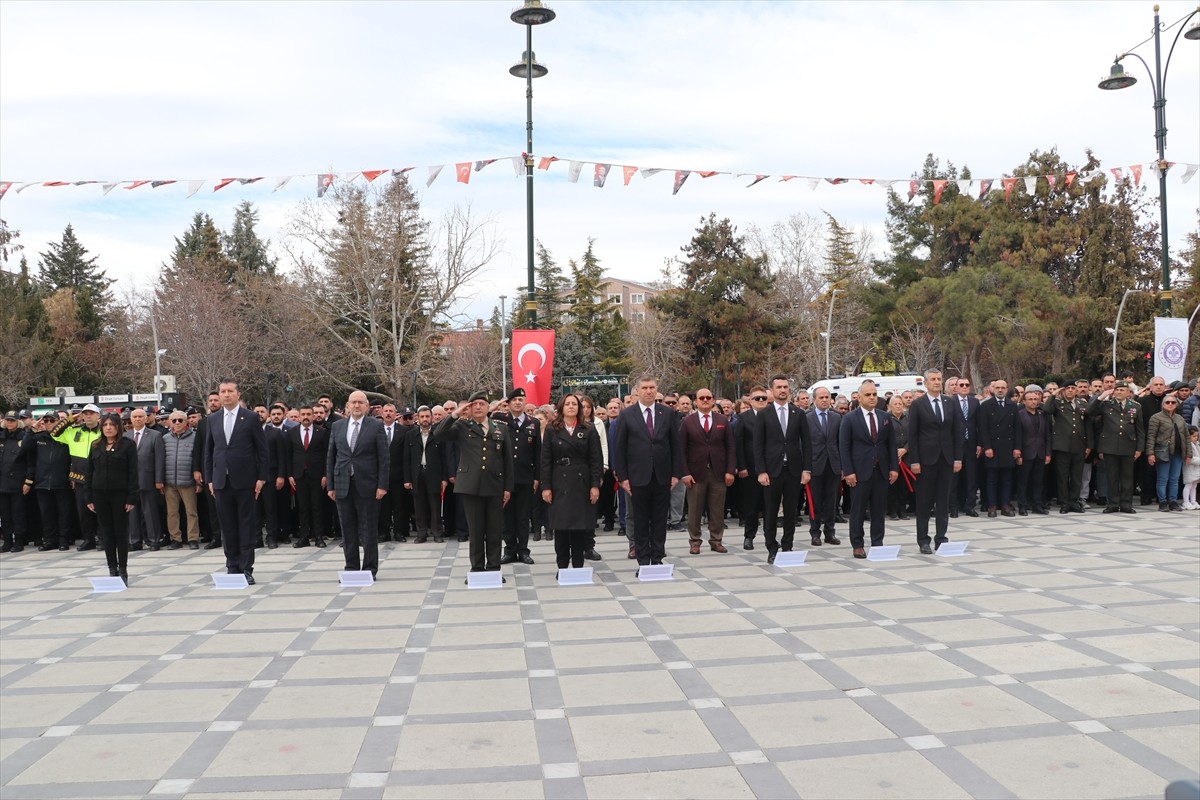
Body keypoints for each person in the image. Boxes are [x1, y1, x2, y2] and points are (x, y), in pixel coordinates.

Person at [432, 391, 513, 580]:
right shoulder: (461, 426)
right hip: (471, 486)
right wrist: (456, 413)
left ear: (488, 408)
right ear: (468, 407)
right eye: (474, 404)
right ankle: (477, 568)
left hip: (495, 485)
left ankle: (493, 568)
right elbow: (439, 433)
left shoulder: (500, 428)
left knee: (494, 530)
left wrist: (508, 488)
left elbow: (507, 460)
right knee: (476, 530)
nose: (478, 407)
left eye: (481, 404)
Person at [612, 375, 682, 571]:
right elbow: (620, 448)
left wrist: (676, 473)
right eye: (645, 388)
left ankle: (657, 559)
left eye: (652, 387)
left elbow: (675, 446)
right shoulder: (627, 414)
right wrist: (623, 477)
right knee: (640, 520)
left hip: (662, 477)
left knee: (660, 520)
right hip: (637, 477)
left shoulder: (667, 413)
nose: (649, 391)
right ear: (637, 392)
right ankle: (643, 561)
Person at [204, 380, 269, 584]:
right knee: (228, 526)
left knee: (246, 525)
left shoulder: (250, 418)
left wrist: (261, 478)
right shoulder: (212, 419)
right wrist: (210, 479)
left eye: (230, 391)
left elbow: (262, 451)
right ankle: (232, 566)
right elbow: (209, 451)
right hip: (221, 480)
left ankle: (246, 567)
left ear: (237, 394)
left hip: (245, 480)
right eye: (222, 391)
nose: (226, 395)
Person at [326, 390, 390, 578]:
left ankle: (370, 568)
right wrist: (331, 485)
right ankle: (351, 568)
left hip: (368, 485)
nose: (356, 406)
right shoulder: (338, 426)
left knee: (369, 529)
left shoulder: (375, 426)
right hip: (343, 484)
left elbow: (384, 458)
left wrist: (382, 485)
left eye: (360, 402)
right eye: (353, 402)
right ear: (347, 405)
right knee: (347, 529)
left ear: (367, 406)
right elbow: (331, 457)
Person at [753, 375, 813, 564]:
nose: (783, 390)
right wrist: (761, 471)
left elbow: (807, 443)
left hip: (793, 469)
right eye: (779, 387)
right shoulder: (764, 414)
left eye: (786, 386)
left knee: (791, 511)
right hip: (772, 470)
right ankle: (771, 546)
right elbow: (758, 445)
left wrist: (807, 469)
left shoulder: (798, 413)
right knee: (770, 511)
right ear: (772, 390)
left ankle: (788, 545)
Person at [540, 393, 603, 573]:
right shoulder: (553, 429)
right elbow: (545, 460)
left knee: (578, 526)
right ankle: (562, 567)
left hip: (581, 482)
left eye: (574, 404)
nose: (571, 407)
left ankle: (577, 567)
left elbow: (595, 459)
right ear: (561, 408)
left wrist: (594, 485)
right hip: (559, 481)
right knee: (561, 527)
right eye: (567, 404)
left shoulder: (588, 429)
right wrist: (546, 487)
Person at [839, 380, 899, 558]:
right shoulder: (850, 418)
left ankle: (878, 542)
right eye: (868, 395)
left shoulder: (884, 417)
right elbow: (844, 446)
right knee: (857, 510)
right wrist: (848, 471)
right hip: (859, 472)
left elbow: (891, 444)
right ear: (859, 397)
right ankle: (857, 544)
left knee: (879, 510)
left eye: (874, 394)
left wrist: (894, 468)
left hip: (881, 471)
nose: (872, 397)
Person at [906, 369, 963, 553]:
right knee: (924, 502)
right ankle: (923, 539)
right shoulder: (918, 404)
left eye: (939, 379)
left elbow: (957, 433)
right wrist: (914, 461)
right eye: (933, 379)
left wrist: (957, 458)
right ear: (925, 383)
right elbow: (912, 435)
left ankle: (941, 538)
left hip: (946, 459)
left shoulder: (950, 402)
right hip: (925, 460)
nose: (937, 382)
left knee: (943, 501)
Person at [679, 387, 736, 554]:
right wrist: (685, 473)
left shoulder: (722, 420)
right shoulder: (688, 421)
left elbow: (731, 447)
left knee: (717, 509)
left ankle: (716, 540)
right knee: (695, 510)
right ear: (695, 401)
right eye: (701, 398)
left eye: (708, 397)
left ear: (713, 400)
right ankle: (695, 541)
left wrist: (730, 470)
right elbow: (681, 450)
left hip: (718, 472)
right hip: (696, 473)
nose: (705, 400)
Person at [83, 413, 138, 583]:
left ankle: (123, 569)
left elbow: (133, 472)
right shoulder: (95, 445)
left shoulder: (127, 445)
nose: (108, 427)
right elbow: (89, 472)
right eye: (105, 424)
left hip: (120, 494)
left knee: (120, 533)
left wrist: (131, 497)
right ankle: (112, 569)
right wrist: (88, 497)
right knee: (106, 534)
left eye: (111, 424)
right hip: (100, 494)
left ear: (118, 427)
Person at [49, 403, 104, 551]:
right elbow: (54, 433)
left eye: (91, 413)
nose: (88, 416)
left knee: (102, 509)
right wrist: (71, 419)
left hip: (100, 476)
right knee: (83, 511)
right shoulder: (73, 431)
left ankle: (103, 538)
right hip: (80, 478)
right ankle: (88, 539)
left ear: (98, 415)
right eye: (85, 413)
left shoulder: (104, 431)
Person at [1087, 381, 1144, 514]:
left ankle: (1126, 504)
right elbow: (1089, 412)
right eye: (1117, 390)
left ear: (1128, 392)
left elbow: (1140, 429)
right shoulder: (1106, 405)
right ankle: (1112, 504)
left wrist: (1139, 449)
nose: (1119, 392)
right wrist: (1101, 397)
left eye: (1122, 390)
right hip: (1110, 446)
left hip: (1128, 446)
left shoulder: (1136, 407)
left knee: (1127, 478)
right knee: (1111, 477)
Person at [500, 388, 540, 564]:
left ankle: (523, 550)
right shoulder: (500, 420)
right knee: (507, 517)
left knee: (523, 516)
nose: (518, 402)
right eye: (514, 400)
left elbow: (538, 452)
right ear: (508, 403)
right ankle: (510, 550)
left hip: (525, 476)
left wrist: (537, 477)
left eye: (521, 399)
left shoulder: (534, 423)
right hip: (505, 477)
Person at [1044, 382, 1092, 514]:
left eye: (1073, 388)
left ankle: (1074, 501)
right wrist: (1053, 395)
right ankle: (1064, 503)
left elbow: (1088, 425)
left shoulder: (1082, 404)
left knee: (1077, 476)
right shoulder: (1058, 403)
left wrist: (1089, 445)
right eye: (1067, 388)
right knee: (1063, 476)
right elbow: (1047, 410)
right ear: (1063, 390)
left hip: (1079, 445)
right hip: (1062, 446)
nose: (1070, 390)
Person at [285, 405, 329, 548]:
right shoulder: (292, 433)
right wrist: (290, 474)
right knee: (302, 507)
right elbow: (288, 454)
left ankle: (318, 537)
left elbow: (327, 455)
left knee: (317, 507)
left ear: (312, 415)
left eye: (308, 414)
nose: (305, 417)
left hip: (316, 475)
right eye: (303, 414)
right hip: (298, 475)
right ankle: (303, 537)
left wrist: (325, 474)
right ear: (298, 416)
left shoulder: (321, 432)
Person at [805, 387, 843, 547]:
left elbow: (841, 443)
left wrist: (843, 467)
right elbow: (804, 444)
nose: (825, 400)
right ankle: (815, 533)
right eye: (821, 397)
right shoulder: (807, 418)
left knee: (832, 501)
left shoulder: (837, 418)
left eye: (827, 397)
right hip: (815, 465)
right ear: (814, 400)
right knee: (815, 501)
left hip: (833, 465)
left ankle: (830, 532)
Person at [124, 408, 165, 551]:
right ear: (131, 419)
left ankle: (154, 540)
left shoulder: (155, 435)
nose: (137, 419)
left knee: (150, 512)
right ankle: (135, 541)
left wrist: (159, 480)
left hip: (149, 479)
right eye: (134, 417)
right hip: (130, 482)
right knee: (132, 513)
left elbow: (159, 459)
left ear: (146, 418)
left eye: (141, 416)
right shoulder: (126, 436)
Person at [32, 412, 74, 551]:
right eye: (46, 420)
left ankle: (63, 540)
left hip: (61, 482)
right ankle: (50, 540)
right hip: (42, 483)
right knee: (46, 514)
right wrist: (32, 428)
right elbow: (25, 448)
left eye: (52, 420)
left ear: (58, 421)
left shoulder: (65, 436)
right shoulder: (38, 437)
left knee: (64, 513)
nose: (49, 423)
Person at [405, 406, 446, 543]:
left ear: (432, 417)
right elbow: (406, 458)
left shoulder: (438, 434)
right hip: (417, 474)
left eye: (427, 416)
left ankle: (437, 533)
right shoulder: (410, 435)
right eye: (422, 417)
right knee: (419, 505)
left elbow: (444, 458)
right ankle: (421, 534)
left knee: (435, 505)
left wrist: (444, 478)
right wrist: (407, 479)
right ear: (417, 418)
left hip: (434, 474)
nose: (425, 419)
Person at [162, 411, 203, 549]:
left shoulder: (195, 437)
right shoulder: (165, 438)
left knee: (191, 512)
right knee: (172, 513)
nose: (177, 423)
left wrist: (198, 482)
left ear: (186, 422)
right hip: (169, 482)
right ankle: (176, 539)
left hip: (188, 481)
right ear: (169, 422)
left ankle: (193, 538)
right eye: (174, 421)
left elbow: (198, 460)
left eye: (180, 420)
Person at [979, 379, 1019, 517]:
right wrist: (987, 447)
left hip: (1008, 447)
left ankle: (1005, 505)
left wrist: (1017, 448)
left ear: (1007, 389)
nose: (1000, 390)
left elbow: (1017, 429)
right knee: (992, 479)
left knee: (1007, 479)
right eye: (997, 387)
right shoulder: (986, 405)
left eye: (1003, 387)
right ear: (993, 389)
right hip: (993, 447)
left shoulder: (1012, 406)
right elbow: (983, 429)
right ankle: (992, 505)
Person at [736, 390, 768, 551]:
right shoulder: (743, 418)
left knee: (770, 506)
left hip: (771, 469)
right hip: (751, 469)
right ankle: (749, 537)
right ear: (751, 400)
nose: (761, 400)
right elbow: (739, 444)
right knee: (752, 506)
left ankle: (770, 536)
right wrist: (741, 466)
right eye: (757, 398)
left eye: (764, 398)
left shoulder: (773, 416)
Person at [1146, 393, 1188, 512]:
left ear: (1176, 404)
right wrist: (1150, 454)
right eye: (1167, 402)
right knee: (1162, 478)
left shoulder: (1180, 418)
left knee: (1175, 478)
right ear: (1163, 404)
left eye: (1173, 402)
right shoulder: (1156, 417)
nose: (1170, 404)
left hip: (1178, 452)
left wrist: (1188, 454)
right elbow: (1151, 437)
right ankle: (1163, 501)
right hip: (1162, 452)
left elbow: (1186, 437)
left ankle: (1173, 501)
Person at [1014, 385, 1052, 516]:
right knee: (1023, 482)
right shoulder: (1019, 415)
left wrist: (1048, 453)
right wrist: (1018, 453)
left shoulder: (1042, 414)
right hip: (1025, 453)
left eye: (1036, 399)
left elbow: (1047, 435)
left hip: (1040, 453)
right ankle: (1022, 506)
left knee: (1038, 482)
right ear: (1024, 401)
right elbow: (1017, 435)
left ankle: (1037, 505)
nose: (1034, 401)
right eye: (1030, 399)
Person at [0, 410, 34, 552]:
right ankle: (7, 541)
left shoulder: (24, 437)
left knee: (18, 513)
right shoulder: (1, 437)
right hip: (2, 482)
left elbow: (30, 462)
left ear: (17, 422)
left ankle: (19, 541)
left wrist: (28, 481)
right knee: (5, 514)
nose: (9, 423)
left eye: (12, 420)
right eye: (7, 420)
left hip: (18, 482)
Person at [885, 395, 911, 520]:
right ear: (890, 406)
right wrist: (894, 451)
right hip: (891, 457)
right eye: (895, 404)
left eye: (900, 403)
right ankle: (893, 511)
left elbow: (913, 436)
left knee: (903, 486)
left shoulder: (908, 418)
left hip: (906, 457)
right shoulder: (886, 418)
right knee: (892, 485)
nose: (898, 406)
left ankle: (902, 510)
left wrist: (905, 449)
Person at [1181, 426, 1200, 510]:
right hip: (1189, 469)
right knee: (1188, 485)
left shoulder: (1197, 445)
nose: (1196, 438)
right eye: (1194, 436)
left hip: (1196, 470)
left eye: (1197, 436)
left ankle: (1193, 501)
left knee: (1194, 486)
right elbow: (1190, 458)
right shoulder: (1188, 445)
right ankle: (1186, 501)